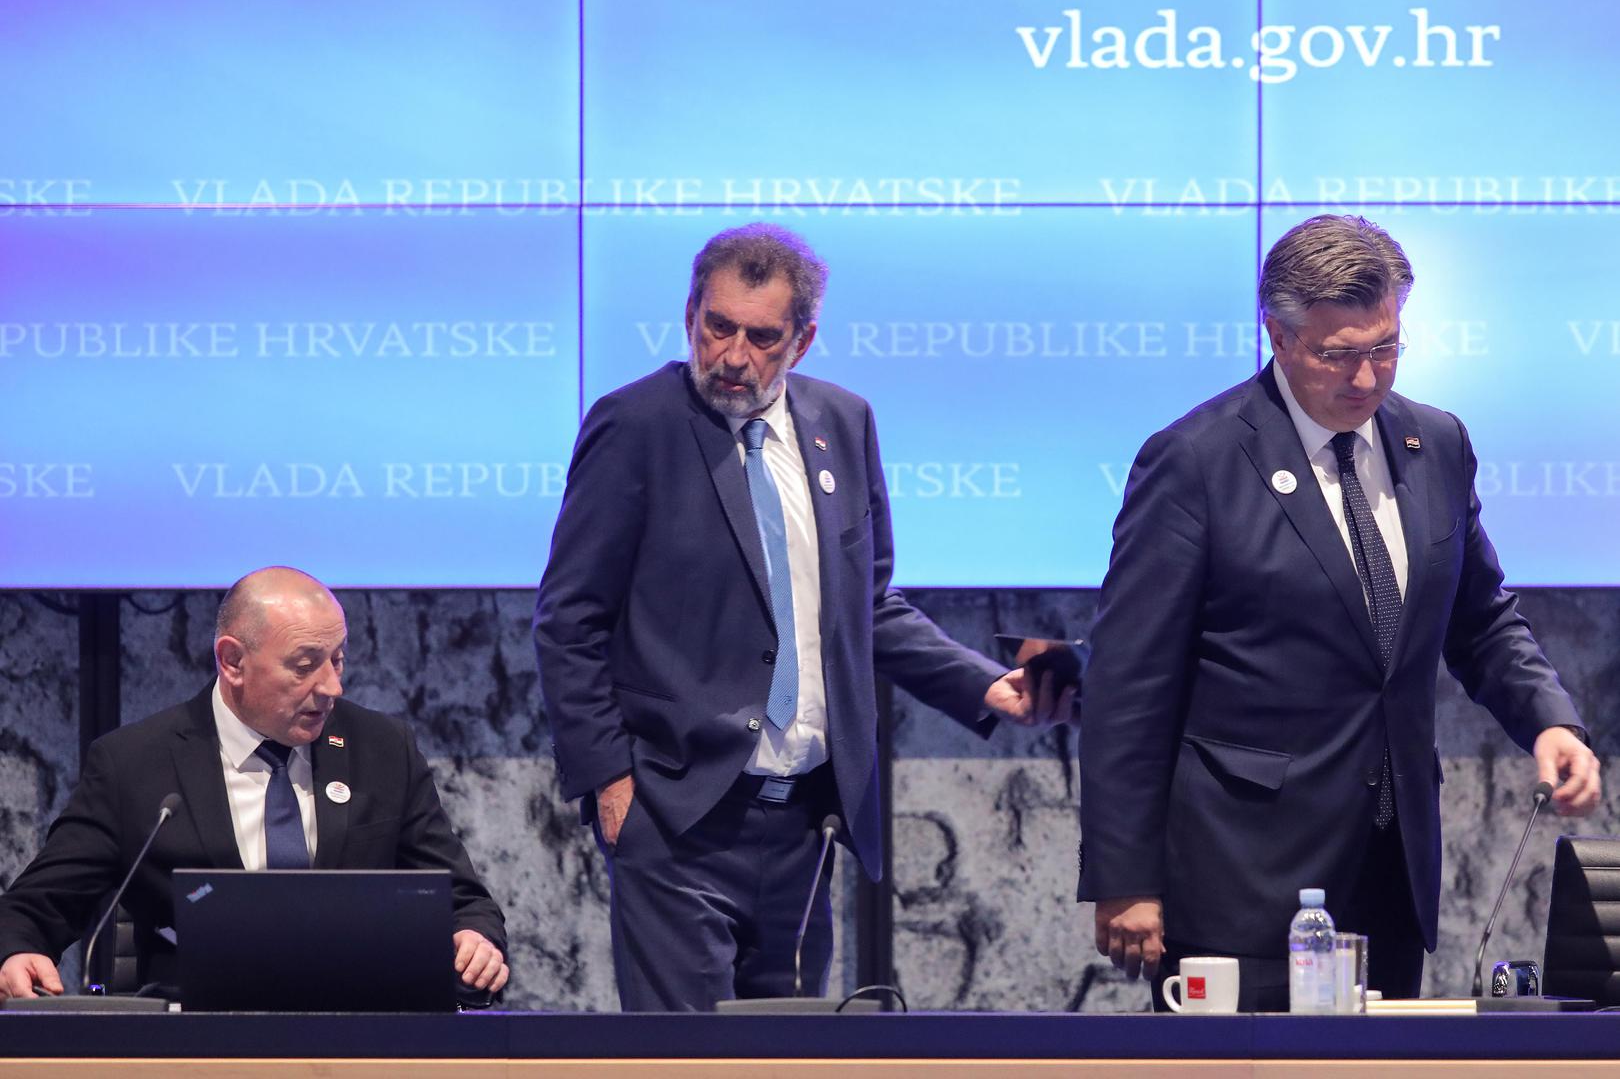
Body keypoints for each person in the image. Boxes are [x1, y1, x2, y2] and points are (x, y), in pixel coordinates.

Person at [534, 223, 1068, 1011]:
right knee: (687, 1071)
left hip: (805, 820)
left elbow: (868, 606)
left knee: (788, 1055)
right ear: (690, 316)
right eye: (717, 327)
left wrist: (985, 687)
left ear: (803, 340)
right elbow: (568, 619)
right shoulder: (635, 426)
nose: (732, 355)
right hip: (678, 811)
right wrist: (609, 777)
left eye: (761, 336)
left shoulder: (842, 424)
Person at [1077, 214, 1602, 1010]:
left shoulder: (1438, 443)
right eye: (1338, 355)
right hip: (1239, 882)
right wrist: (1123, 876)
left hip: (1388, 871)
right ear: (1279, 337)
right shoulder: (1194, 461)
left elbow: (1480, 616)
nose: (1365, 379)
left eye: (1385, 348)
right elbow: (1129, 682)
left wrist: (1549, 721)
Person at [0, 566, 509, 1000]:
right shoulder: (134, 764)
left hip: (360, 1035)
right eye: (305, 665)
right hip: (194, 1044)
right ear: (232, 661)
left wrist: (475, 938)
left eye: (338, 659)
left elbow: (464, 901)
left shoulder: (382, 748)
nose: (332, 686)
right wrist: (18, 951)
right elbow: (36, 906)